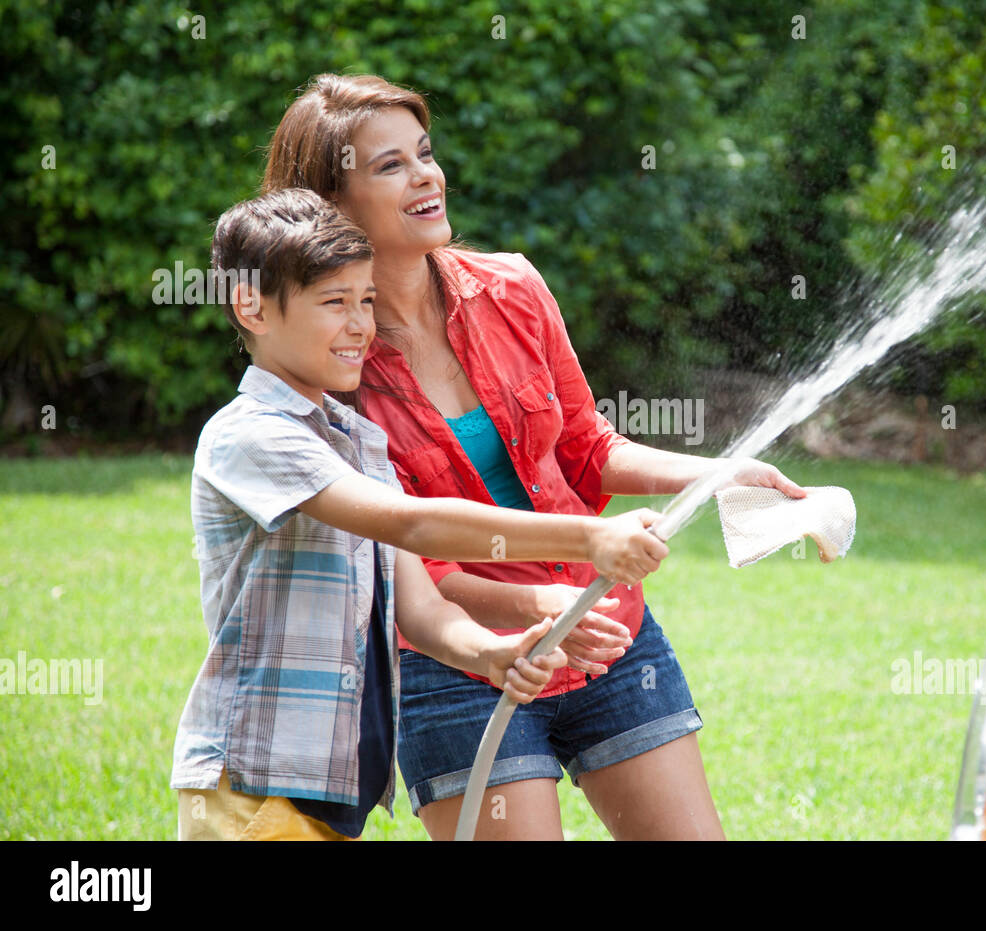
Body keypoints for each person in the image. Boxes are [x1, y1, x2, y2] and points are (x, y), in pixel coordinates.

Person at [262, 74, 806, 840]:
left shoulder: (513, 287)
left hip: (608, 633)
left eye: (425, 153)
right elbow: (419, 564)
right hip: (456, 665)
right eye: (390, 166)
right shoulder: (330, 371)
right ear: (329, 204)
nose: (426, 175)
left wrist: (718, 475)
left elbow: (587, 446)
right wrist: (536, 610)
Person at [171, 187, 667, 840]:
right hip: (251, 790)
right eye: (334, 303)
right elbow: (413, 522)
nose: (359, 326)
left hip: (328, 793)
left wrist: (491, 651)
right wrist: (590, 537)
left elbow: (421, 608)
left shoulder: (356, 438)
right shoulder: (252, 436)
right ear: (251, 307)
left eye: (365, 300)